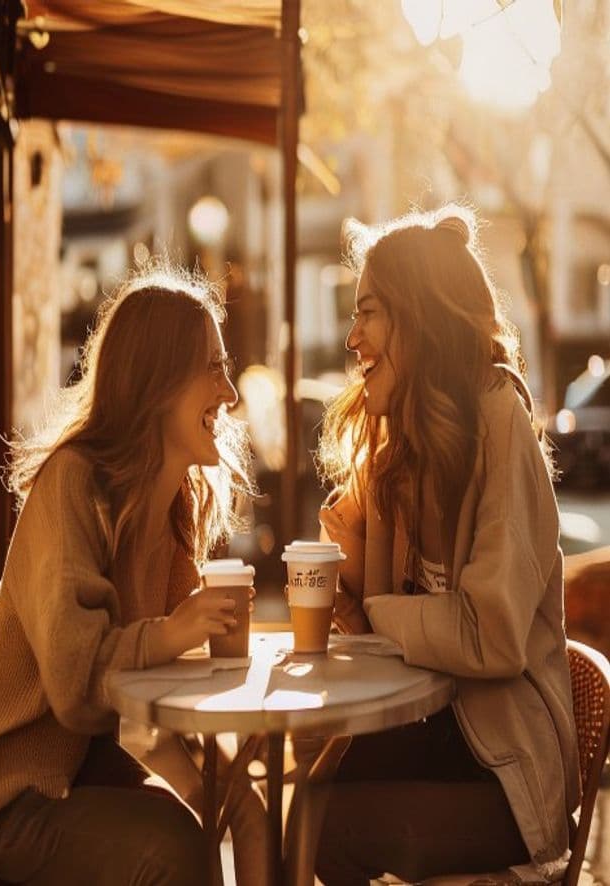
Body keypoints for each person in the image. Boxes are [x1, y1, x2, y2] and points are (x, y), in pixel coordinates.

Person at [0, 265, 266, 885]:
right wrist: (172, 633)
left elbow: (169, 684)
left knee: (251, 816)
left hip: (100, 778)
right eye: (213, 366)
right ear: (157, 379)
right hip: (22, 804)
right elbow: (77, 684)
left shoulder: (175, 503)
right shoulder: (73, 484)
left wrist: (228, 774)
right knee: (177, 847)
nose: (230, 393)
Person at [311, 205, 581, 885]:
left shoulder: (499, 424)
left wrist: (376, 607)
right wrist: (348, 572)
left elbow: (489, 635)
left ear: (418, 316)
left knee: (326, 828)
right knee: (304, 805)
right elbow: (367, 622)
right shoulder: (405, 442)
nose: (351, 338)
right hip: (433, 732)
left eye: (366, 313)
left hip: (506, 778)